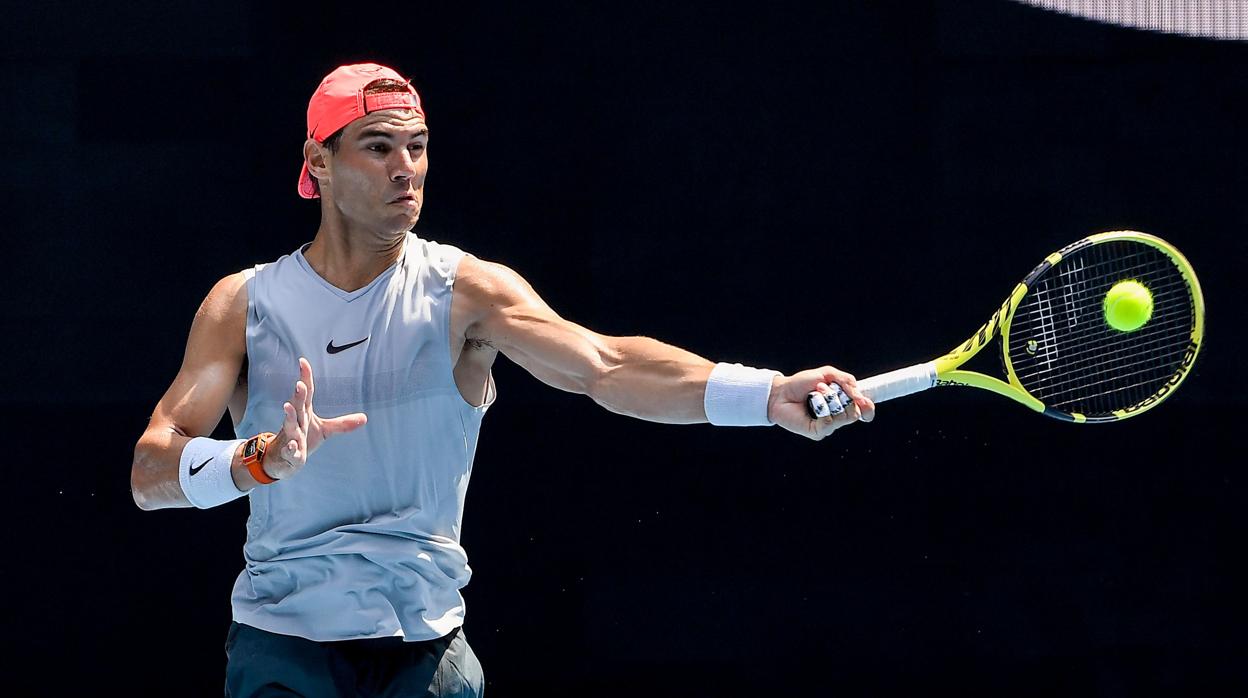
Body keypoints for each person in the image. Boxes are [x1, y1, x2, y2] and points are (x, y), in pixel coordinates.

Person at [129, 62, 875, 698]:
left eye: (417, 148)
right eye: (377, 147)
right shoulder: (243, 303)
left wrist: (766, 394)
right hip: (283, 647)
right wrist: (257, 458)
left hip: (426, 649)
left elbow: (605, 366)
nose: (405, 169)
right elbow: (150, 469)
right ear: (317, 162)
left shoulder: (467, 292)